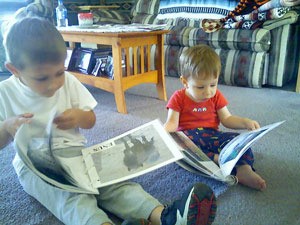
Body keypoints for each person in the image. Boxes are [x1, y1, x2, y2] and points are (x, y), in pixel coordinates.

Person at [0, 17, 217, 225]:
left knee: (114, 183)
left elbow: (91, 120)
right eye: (42, 78)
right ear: (15, 70)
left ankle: (165, 217)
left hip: (78, 154)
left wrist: (79, 116)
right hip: (36, 165)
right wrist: (7, 128)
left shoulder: (67, 81)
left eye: (59, 72)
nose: (54, 84)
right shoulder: (5, 93)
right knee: (71, 199)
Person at [164, 44, 267, 191]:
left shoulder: (216, 96)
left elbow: (227, 119)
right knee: (182, 151)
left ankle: (244, 169)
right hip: (189, 138)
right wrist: (163, 134)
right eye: (200, 87)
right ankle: (220, 160)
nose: (208, 92)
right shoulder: (178, 97)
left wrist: (245, 122)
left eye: (213, 84)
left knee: (236, 141)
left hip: (212, 135)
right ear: (185, 82)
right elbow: (172, 123)